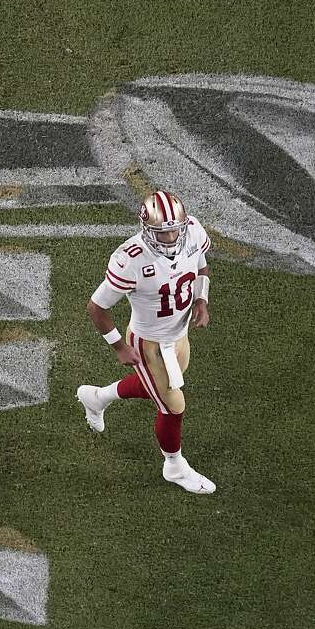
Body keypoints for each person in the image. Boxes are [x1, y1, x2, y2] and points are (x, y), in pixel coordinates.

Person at [77, 189, 216, 494]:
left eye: (175, 231)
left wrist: (202, 301)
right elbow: (96, 307)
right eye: (163, 233)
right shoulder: (131, 259)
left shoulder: (192, 232)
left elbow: (201, 265)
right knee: (173, 406)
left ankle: (97, 398)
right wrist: (119, 346)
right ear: (148, 231)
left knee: (157, 386)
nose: (171, 238)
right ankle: (174, 466)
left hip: (179, 334)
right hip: (148, 342)